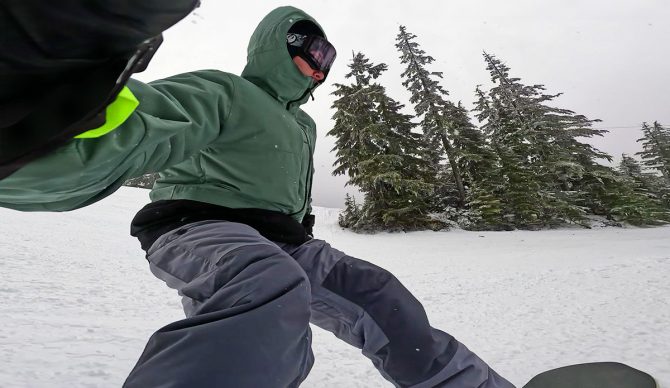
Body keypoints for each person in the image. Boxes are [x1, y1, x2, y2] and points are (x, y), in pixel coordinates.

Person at [0, 5, 514, 388]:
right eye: (312, 50)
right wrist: (34, 140)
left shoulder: (303, 124)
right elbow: (145, 126)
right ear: (280, 44)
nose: (319, 66)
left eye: (328, 59)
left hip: (288, 240)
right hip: (199, 226)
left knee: (379, 293)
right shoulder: (226, 92)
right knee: (266, 284)